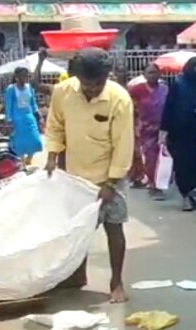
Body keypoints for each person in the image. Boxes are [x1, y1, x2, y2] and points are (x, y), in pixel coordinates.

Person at [44, 48, 134, 304]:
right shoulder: (63, 92)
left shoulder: (119, 99)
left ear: (108, 77)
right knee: (77, 231)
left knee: (114, 228)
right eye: (87, 84)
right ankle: (76, 275)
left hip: (109, 176)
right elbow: (55, 125)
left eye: (98, 84)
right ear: (77, 78)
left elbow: (123, 144)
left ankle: (116, 282)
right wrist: (52, 154)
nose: (93, 89)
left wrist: (110, 182)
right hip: (75, 177)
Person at [160, 57, 196, 211]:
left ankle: (195, 194)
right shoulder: (178, 85)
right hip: (179, 133)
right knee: (182, 166)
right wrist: (164, 130)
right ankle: (186, 195)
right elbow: (169, 107)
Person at [128, 64, 168, 199]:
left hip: (163, 128)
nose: (153, 75)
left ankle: (160, 184)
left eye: (155, 72)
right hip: (144, 129)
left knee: (162, 159)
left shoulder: (165, 89)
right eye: (150, 73)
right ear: (144, 75)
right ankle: (153, 185)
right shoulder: (136, 90)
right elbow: (128, 108)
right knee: (150, 158)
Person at [4, 67, 43, 165]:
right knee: (19, 142)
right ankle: (21, 162)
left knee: (35, 139)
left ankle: (29, 158)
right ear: (17, 77)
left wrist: (39, 116)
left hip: (29, 117)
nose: (25, 77)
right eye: (23, 75)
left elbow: (33, 103)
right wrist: (9, 120)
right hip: (17, 119)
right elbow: (8, 105)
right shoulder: (11, 89)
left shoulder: (29, 88)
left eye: (27, 75)